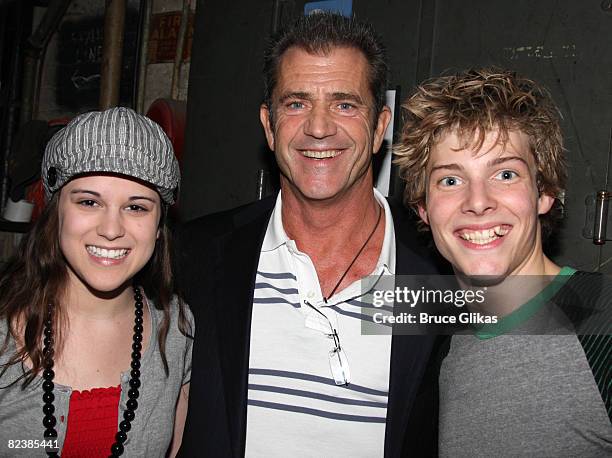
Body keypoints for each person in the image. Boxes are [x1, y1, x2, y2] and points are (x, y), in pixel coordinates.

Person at [178, 12, 443, 458]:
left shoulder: (434, 270)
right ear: (268, 124)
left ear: (380, 127)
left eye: (344, 104)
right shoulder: (196, 256)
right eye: (296, 103)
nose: (319, 128)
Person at [395, 67, 612, 456]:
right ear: (423, 208)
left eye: (506, 173)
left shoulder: (603, 319)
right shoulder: (434, 349)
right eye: (450, 180)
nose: (478, 202)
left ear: (545, 192)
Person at [0, 107, 194, 457]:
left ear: (159, 225)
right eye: (89, 202)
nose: (110, 229)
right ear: (56, 209)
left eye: (136, 207)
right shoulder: (4, 332)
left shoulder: (178, 331)